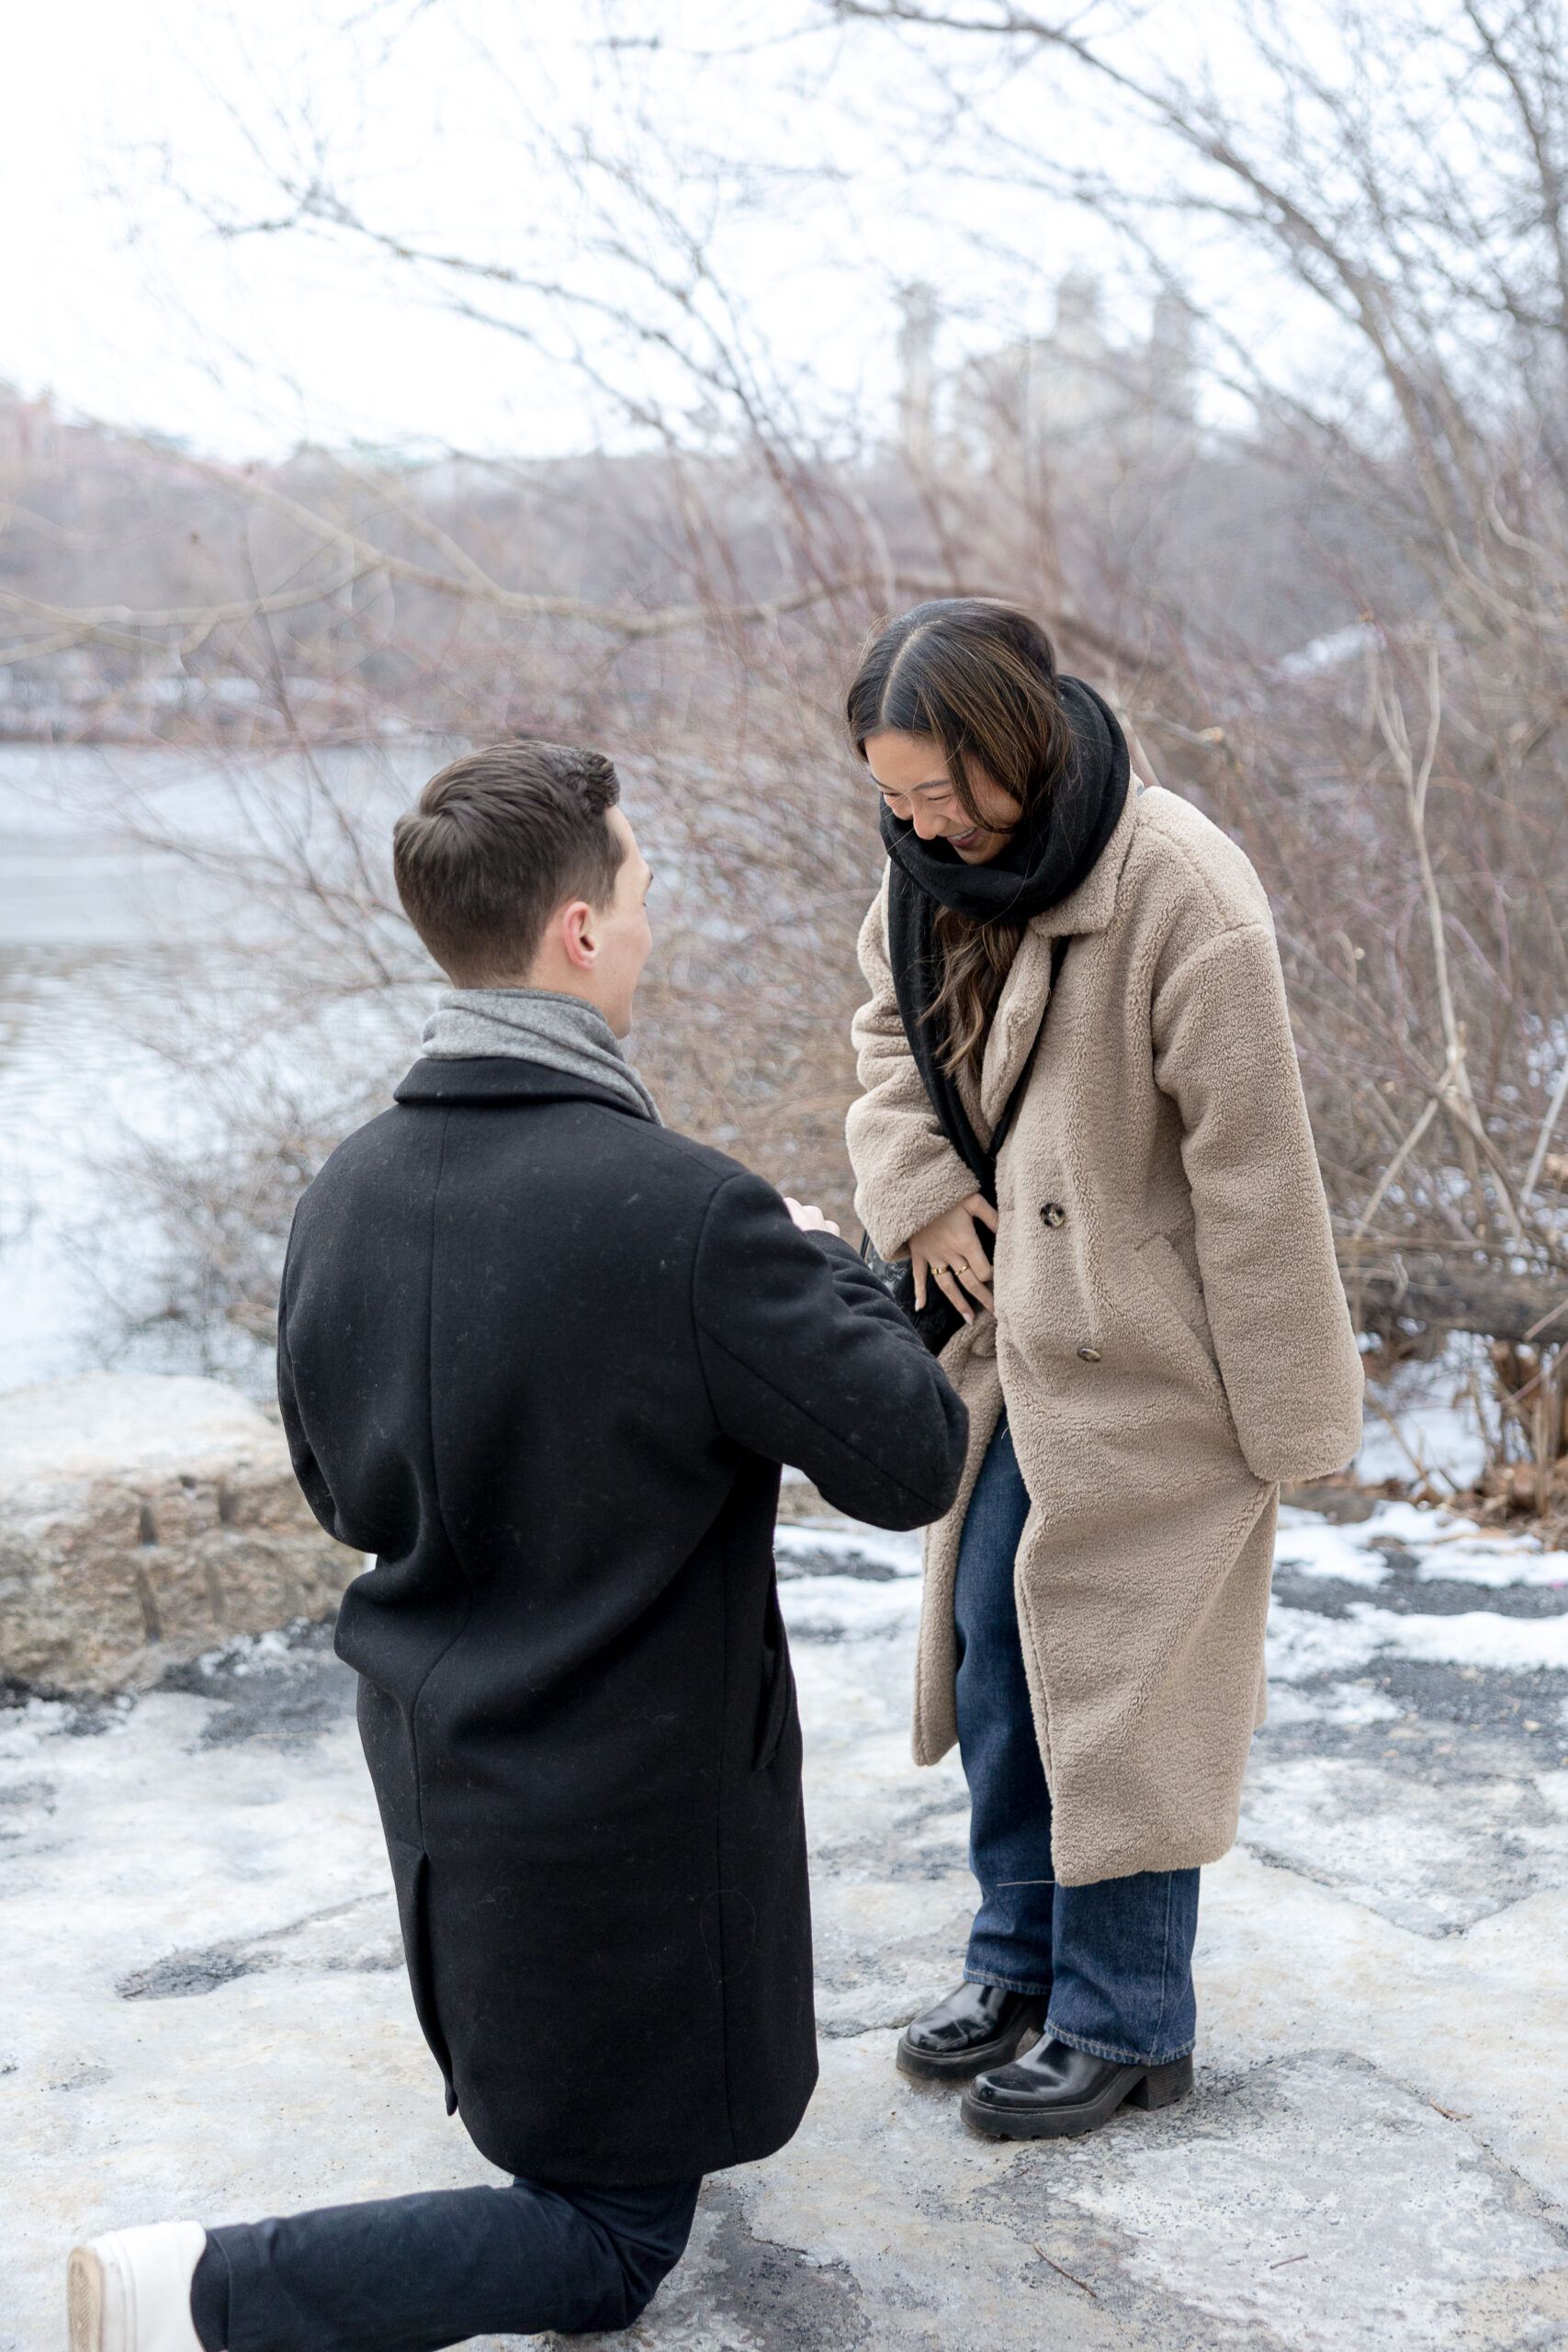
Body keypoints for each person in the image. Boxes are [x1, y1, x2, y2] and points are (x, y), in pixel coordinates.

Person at [68, 739, 968, 2352]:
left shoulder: (341, 1191)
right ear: (576, 931)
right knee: (609, 2240)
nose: (646, 920)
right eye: (636, 886)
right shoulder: (690, 1216)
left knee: (558, 2127)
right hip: (627, 1809)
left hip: (443, 1771)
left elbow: (342, 1491)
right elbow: (910, 1459)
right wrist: (830, 1268)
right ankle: (188, 2294)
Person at [843, 599, 1362, 2142]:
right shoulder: (925, 879)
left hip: (1156, 1368)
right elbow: (885, 1035)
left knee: (1121, 1689)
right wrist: (918, 1181)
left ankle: (1130, 2023)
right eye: (895, 799)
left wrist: (1286, 1423)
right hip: (1014, 1346)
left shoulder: (1179, 888)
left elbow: (1260, 1173)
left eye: (947, 793)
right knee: (997, 1642)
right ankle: (1021, 1961)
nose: (925, 826)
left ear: (1021, 742)